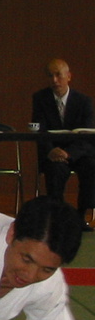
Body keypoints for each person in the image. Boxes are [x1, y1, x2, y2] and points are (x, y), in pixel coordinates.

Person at [31, 58, 95, 229]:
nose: (54, 80)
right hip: (53, 152)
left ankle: (81, 216)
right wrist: (51, 151)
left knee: (91, 166)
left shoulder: (84, 101)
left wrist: (69, 153)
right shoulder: (40, 98)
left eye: (58, 75)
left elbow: (88, 135)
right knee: (55, 170)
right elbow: (39, 131)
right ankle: (58, 219)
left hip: (78, 153)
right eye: (50, 76)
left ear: (68, 76)